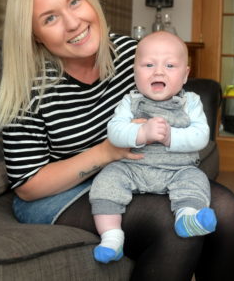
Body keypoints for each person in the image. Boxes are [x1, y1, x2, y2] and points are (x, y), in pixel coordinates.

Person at [0, 0, 234, 281]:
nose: (73, 23)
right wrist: (106, 151)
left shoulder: (132, 55)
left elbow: (176, 98)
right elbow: (28, 186)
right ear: (35, 35)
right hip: (57, 195)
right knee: (175, 228)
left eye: (75, 2)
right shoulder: (27, 86)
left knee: (229, 211)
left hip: (135, 171)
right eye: (51, 18)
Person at [89, 31, 217, 264]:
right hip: (132, 169)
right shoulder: (130, 101)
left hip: (177, 170)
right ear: (135, 72)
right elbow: (115, 132)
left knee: (196, 180)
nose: (159, 71)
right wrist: (141, 133)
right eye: (148, 64)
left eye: (170, 65)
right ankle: (111, 237)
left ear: (185, 74)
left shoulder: (191, 102)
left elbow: (201, 136)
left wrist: (171, 137)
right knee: (105, 182)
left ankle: (187, 217)